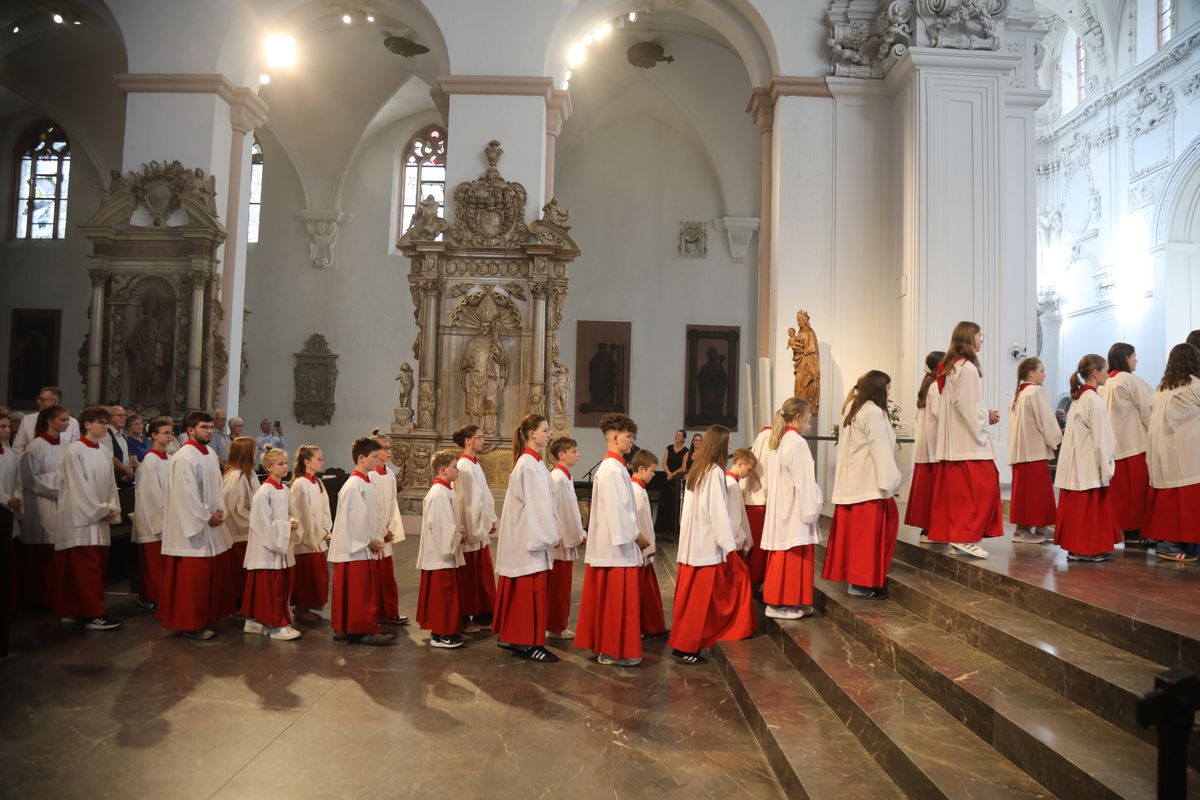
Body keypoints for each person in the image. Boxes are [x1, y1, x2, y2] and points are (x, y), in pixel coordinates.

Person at [670, 424, 754, 664]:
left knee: (690, 600)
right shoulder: (715, 472)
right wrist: (728, 546)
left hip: (692, 544)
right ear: (719, 443)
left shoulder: (699, 468)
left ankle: (682, 644)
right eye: (728, 442)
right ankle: (688, 648)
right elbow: (717, 513)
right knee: (699, 602)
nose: (730, 446)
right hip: (706, 546)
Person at [576, 413, 647, 667]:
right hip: (617, 549)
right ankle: (614, 650)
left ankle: (608, 647)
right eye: (629, 436)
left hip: (613, 545)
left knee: (610, 603)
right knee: (618, 605)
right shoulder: (613, 470)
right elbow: (619, 513)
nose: (632, 441)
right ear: (615, 437)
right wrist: (636, 537)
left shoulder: (614, 467)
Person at [824, 372, 903, 597]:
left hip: (851, 484)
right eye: (888, 388)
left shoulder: (851, 408)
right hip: (869, 486)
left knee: (854, 539)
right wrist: (890, 480)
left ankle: (856, 580)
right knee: (868, 540)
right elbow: (880, 449)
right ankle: (862, 584)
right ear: (879, 388)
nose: (889, 392)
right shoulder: (874, 412)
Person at [929, 321, 1003, 559]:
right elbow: (968, 406)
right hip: (968, 443)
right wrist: (986, 419)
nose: (982, 340)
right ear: (971, 339)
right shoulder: (968, 368)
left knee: (961, 495)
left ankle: (961, 536)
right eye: (981, 336)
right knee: (982, 488)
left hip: (957, 443)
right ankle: (964, 537)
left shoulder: (953, 367)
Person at [158, 411, 234, 640]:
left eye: (211, 427)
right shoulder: (184, 457)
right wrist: (205, 516)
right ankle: (191, 623)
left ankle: (207, 617)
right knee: (193, 582)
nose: (209, 431)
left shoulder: (210, 454)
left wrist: (220, 509)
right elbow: (186, 494)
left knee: (208, 578)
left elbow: (218, 486)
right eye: (204, 427)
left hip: (210, 523)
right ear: (190, 430)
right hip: (191, 531)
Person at [494, 414, 559, 662]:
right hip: (530, 540)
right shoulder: (530, 465)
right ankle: (527, 642)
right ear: (532, 433)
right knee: (528, 592)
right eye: (545, 430)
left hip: (526, 536)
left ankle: (516, 636)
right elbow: (539, 506)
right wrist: (551, 536)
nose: (548, 434)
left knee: (524, 590)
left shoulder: (532, 463)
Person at [52, 406, 123, 630]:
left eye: (106, 422)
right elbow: (78, 487)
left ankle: (82, 610)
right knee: (86, 570)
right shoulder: (75, 451)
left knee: (97, 567)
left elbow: (111, 483)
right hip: (82, 520)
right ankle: (92, 614)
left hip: (99, 516)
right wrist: (102, 509)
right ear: (87, 425)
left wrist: (112, 506)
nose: (105, 426)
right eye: (100, 422)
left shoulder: (103, 451)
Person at [1054, 355, 1120, 562]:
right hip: (1088, 464)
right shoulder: (1093, 400)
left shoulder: (1080, 398)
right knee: (1088, 510)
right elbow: (1102, 438)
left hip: (1076, 463)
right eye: (1106, 371)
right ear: (1095, 373)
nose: (1108, 375)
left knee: (1077, 511)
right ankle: (1087, 549)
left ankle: (1076, 549)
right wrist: (1106, 466)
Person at [761, 398, 822, 619]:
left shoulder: (781, 441)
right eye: (808, 417)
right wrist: (812, 507)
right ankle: (782, 603)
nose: (810, 423)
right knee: (792, 554)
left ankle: (793, 600)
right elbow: (804, 481)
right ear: (798, 417)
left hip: (783, 508)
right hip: (794, 510)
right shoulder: (796, 442)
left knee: (786, 553)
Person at [329, 437, 393, 646]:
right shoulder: (355, 484)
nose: (378, 460)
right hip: (356, 549)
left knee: (356, 590)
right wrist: (369, 541)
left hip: (360, 546)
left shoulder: (365, 481)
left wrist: (380, 532)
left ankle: (348, 627)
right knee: (360, 592)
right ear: (361, 458)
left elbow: (370, 515)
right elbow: (355, 520)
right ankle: (361, 630)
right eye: (374, 457)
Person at [1144, 343, 1200, 562]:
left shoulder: (1161, 389)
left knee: (1167, 502)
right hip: (1188, 452)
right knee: (1187, 503)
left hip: (1162, 452)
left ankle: (1167, 544)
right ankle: (1175, 546)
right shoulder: (1195, 385)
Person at [242, 446, 302, 640]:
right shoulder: (263, 492)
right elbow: (261, 524)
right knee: (269, 588)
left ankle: (257, 621)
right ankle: (275, 625)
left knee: (278, 586)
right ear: (268, 467)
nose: (285, 467)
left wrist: (292, 521)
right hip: (266, 549)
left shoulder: (284, 489)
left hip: (279, 546)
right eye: (280, 464)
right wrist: (286, 526)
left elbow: (289, 513)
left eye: (286, 463)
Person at [1099, 343, 1154, 547]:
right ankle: (1136, 533)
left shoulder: (1104, 384)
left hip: (1112, 447)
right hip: (1134, 444)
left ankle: (1125, 532)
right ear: (1125, 358)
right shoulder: (1129, 380)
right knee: (1136, 493)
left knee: (1121, 495)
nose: (1136, 360)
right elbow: (1150, 409)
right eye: (1134, 356)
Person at [17, 405, 71, 607]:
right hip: (40, 503)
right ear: (50, 421)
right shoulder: (35, 447)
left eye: (67, 420)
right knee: (41, 553)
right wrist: (61, 485)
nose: (67, 423)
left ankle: (55, 596)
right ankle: (37, 599)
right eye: (63, 420)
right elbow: (30, 480)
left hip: (61, 503)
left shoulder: (66, 445)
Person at [1007, 357, 1062, 544]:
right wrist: (1056, 440)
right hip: (1034, 450)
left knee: (1032, 492)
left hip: (1021, 451)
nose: (1044, 374)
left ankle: (1039, 527)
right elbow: (1046, 420)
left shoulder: (1019, 394)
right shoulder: (1036, 391)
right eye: (1041, 370)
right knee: (1035, 493)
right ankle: (1022, 530)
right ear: (1031, 373)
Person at [416, 450, 467, 649]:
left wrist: (458, 534)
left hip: (445, 553)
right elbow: (441, 527)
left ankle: (445, 630)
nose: (458, 471)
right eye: (455, 467)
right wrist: (457, 537)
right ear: (444, 470)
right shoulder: (438, 494)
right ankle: (439, 634)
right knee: (441, 596)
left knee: (446, 596)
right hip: (440, 555)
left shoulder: (446, 490)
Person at [452, 424, 497, 632]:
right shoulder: (464, 466)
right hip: (472, 529)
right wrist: (472, 529)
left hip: (480, 527)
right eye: (479, 437)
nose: (483, 440)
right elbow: (466, 502)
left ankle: (483, 613)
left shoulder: (474, 464)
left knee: (481, 576)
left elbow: (484, 496)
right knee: (470, 576)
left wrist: (490, 519)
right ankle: (468, 615)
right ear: (468, 441)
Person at [131, 416, 173, 611]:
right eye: (165, 433)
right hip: (154, 520)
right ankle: (152, 598)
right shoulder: (150, 460)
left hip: (169, 518)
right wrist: (164, 520)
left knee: (163, 565)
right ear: (154, 435)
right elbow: (152, 496)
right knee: (154, 565)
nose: (169, 436)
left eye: (170, 432)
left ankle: (161, 597)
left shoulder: (170, 459)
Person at [547, 436, 585, 640]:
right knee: (559, 588)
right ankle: (555, 626)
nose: (578, 454)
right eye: (574, 451)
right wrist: (577, 534)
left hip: (565, 538)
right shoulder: (558, 478)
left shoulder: (564, 476)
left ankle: (558, 624)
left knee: (563, 586)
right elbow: (564, 512)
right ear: (561, 455)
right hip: (561, 541)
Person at [289, 445, 332, 622]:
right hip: (306, 539)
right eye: (318, 459)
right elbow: (304, 514)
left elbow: (325, 509)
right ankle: (301, 608)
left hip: (319, 535)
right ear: (307, 461)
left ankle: (308, 607)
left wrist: (326, 528)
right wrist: (317, 531)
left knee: (319, 576)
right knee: (307, 576)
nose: (322, 462)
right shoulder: (300, 484)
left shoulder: (317, 482)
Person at [905, 351, 944, 539]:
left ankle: (928, 528)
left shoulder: (927, 386)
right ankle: (934, 528)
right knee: (935, 491)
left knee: (928, 491)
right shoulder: (936, 387)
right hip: (935, 446)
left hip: (926, 445)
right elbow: (941, 415)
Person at [369, 432, 407, 626]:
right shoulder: (369, 475)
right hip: (374, 533)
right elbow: (370, 507)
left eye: (389, 448)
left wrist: (390, 528)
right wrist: (379, 531)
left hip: (385, 531)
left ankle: (390, 611)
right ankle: (376, 613)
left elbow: (392, 504)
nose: (389, 451)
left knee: (387, 576)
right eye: (385, 448)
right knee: (374, 577)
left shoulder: (390, 474)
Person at [630, 449, 667, 639]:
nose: (654, 475)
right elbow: (639, 522)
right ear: (641, 469)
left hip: (645, 548)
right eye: (652, 471)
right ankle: (641, 626)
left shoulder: (640, 489)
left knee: (647, 591)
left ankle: (650, 625)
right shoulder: (635, 491)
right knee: (639, 592)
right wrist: (648, 547)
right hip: (639, 549)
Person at [222, 436, 259, 607]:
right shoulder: (235, 477)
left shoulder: (249, 474)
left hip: (249, 530)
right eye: (254, 450)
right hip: (239, 533)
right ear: (245, 453)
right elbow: (234, 508)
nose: (257, 453)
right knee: (238, 573)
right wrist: (257, 521)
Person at [740, 422, 772, 589]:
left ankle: (753, 579)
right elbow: (764, 472)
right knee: (758, 546)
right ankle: (754, 579)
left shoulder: (763, 436)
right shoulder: (768, 438)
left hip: (753, 499)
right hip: (760, 500)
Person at [11, 386, 79, 458]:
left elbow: (74, 450)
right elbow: (17, 448)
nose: (38, 402)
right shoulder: (28, 419)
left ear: (55, 402)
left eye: (42, 399)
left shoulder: (73, 423)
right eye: (39, 399)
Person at [657, 430, 689, 534]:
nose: (677, 436)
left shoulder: (686, 451)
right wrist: (668, 473)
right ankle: (660, 528)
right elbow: (664, 462)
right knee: (663, 502)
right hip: (667, 477)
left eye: (679, 435)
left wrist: (673, 474)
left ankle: (672, 530)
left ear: (684, 438)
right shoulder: (669, 448)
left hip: (676, 479)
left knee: (673, 503)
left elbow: (683, 467)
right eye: (676, 435)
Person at [101, 405, 135, 487]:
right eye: (120, 415)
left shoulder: (123, 435)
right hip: (112, 479)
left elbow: (128, 454)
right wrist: (126, 470)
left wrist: (130, 470)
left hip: (125, 479)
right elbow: (110, 457)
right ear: (110, 417)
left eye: (125, 415)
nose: (124, 418)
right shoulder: (106, 434)